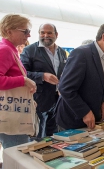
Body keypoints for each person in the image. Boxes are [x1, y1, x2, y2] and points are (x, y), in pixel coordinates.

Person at [56, 21, 104, 130]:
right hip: (73, 120)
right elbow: (65, 88)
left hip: (94, 121)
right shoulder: (82, 54)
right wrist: (84, 112)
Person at [21, 23, 67, 138]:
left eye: (49, 33)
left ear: (56, 34)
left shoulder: (61, 52)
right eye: (42, 32)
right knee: (39, 136)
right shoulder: (29, 50)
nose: (45, 35)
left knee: (54, 134)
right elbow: (22, 73)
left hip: (58, 99)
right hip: (39, 100)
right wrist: (42, 76)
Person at [0, 14, 36, 148]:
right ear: (9, 31)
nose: (28, 35)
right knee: (17, 155)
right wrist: (23, 80)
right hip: (11, 115)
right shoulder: (5, 50)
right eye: (25, 31)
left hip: (13, 110)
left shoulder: (10, 49)